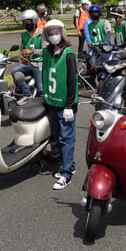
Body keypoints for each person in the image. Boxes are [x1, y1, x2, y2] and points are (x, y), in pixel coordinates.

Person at [42, 19, 78, 190]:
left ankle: (66, 174)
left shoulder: (68, 54)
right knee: (57, 138)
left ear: (62, 33)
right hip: (52, 103)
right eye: (50, 33)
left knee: (66, 138)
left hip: (66, 105)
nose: (54, 35)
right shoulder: (47, 53)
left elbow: (72, 82)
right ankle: (69, 165)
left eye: (56, 32)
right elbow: (44, 75)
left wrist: (69, 105)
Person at [12, 9, 43, 97]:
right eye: (24, 22)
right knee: (14, 72)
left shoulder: (42, 34)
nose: (26, 25)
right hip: (27, 63)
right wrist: (23, 57)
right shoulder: (24, 35)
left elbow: (46, 51)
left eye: (28, 22)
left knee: (40, 88)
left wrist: (33, 51)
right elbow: (22, 49)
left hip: (38, 64)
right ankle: (27, 94)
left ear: (34, 21)